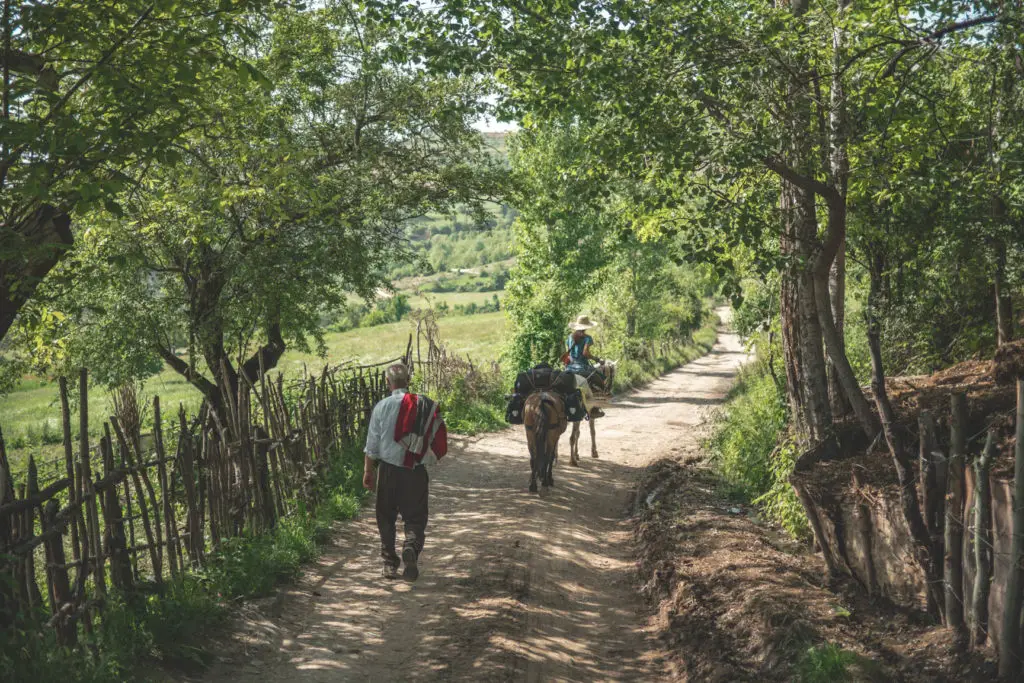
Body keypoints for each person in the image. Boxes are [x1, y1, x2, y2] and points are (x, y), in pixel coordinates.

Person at [363, 363, 446, 581]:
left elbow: (372, 444)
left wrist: (368, 471)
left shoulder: (381, 406)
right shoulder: (423, 406)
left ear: (387, 383)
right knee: (416, 517)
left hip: (388, 471)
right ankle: (410, 546)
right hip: (415, 471)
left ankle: (390, 563)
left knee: (386, 516)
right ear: (408, 381)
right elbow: (436, 436)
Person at [564, 315, 605, 419]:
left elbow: (569, 354)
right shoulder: (587, 338)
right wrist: (597, 359)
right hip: (582, 367)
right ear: (586, 327)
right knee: (600, 378)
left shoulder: (569, 337)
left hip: (569, 368)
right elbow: (585, 353)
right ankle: (594, 409)